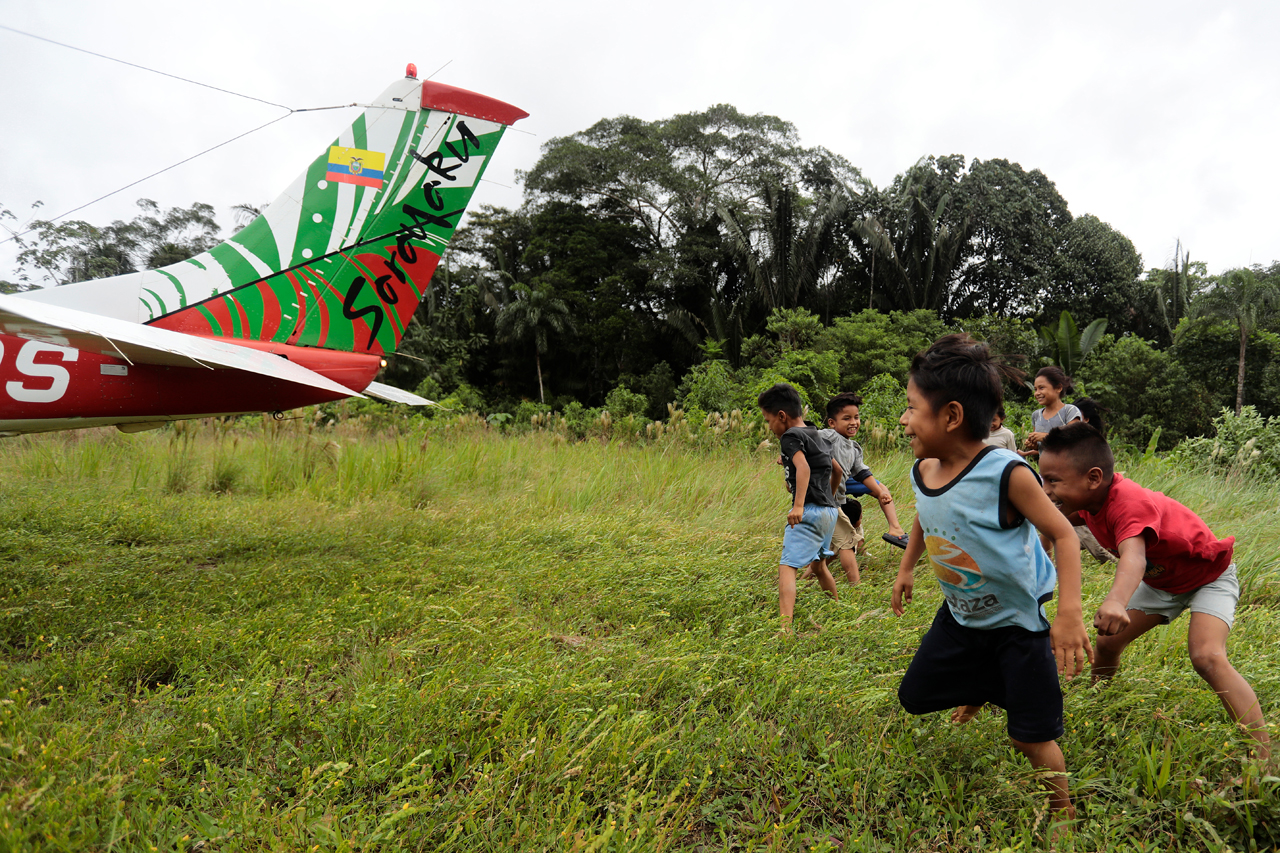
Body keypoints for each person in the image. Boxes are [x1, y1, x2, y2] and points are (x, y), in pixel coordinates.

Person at [891, 334, 1092, 824]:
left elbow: (1064, 536)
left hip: (1018, 625)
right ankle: (983, 685)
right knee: (913, 698)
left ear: (952, 416)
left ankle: (1063, 814)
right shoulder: (923, 469)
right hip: (961, 615)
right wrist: (906, 567)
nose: (903, 419)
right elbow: (924, 513)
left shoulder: (1007, 472)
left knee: (1029, 735)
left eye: (912, 407)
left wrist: (1068, 614)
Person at [1039, 423, 1270, 760]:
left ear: (1092, 478)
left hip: (1210, 577)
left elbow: (1134, 557)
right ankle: (1100, 700)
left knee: (1207, 656)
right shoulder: (1088, 501)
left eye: (1053, 481)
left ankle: (1262, 757)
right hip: (1162, 583)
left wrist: (1116, 600)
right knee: (1107, 642)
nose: (1046, 490)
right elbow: (1047, 520)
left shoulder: (1128, 502)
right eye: (1043, 479)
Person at [758, 383, 841, 631]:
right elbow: (836, 470)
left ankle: (785, 629)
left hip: (809, 511)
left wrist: (798, 505)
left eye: (769, 420)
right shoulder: (818, 435)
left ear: (782, 416)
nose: (769, 426)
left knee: (787, 566)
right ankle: (838, 609)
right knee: (818, 565)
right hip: (829, 512)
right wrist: (829, 496)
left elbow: (804, 468)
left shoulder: (790, 436)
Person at [812, 392, 907, 583]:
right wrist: (789, 453)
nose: (853, 422)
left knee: (829, 546)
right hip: (823, 497)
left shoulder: (854, 448)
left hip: (837, 495)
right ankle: (856, 587)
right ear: (832, 422)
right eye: (846, 418)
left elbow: (863, 473)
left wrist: (880, 493)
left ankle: (809, 577)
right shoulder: (827, 436)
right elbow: (805, 437)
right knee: (846, 542)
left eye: (856, 417)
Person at [1023, 366, 1081, 457]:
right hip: (1045, 469)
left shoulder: (1070, 411)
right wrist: (1034, 445)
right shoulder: (1036, 415)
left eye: (1041, 388)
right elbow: (1042, 448)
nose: (1037, 393)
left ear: (1058, 388)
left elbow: (1074, 440)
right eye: (1035, 389)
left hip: (1067, 468)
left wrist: (1047, 437)